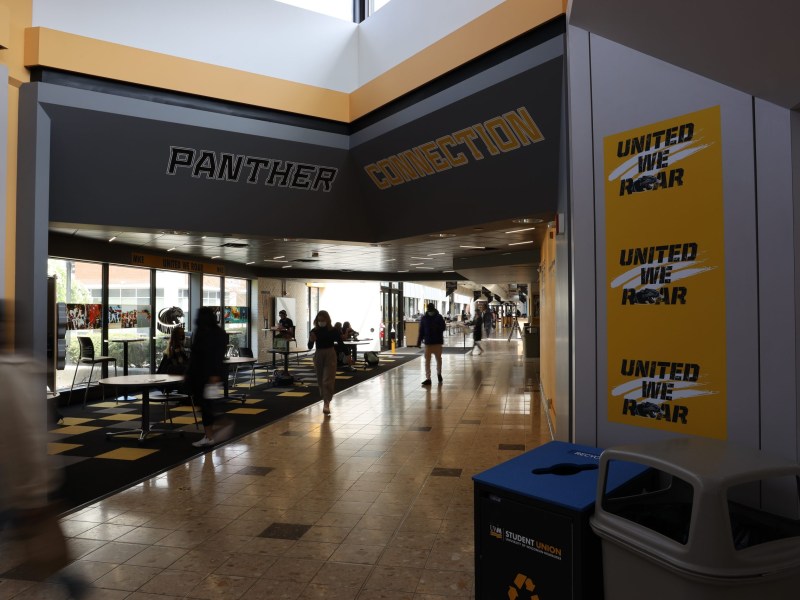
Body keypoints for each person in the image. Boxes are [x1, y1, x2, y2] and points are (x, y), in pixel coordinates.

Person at [186, 306, 232, 447]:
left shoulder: (204, 332)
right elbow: (218, 355)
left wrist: (212, 374)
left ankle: (213, 432)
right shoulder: (219, 332)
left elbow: (205, 355)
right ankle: (211, 433)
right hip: (211, 375)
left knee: (205, 405)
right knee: (208, 404)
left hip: (202, 375)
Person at [308, 310, 345, 416]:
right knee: (320, 379)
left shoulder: (333, 330)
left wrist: (347, 354)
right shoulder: (314, 331)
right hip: (319, 354)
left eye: (323, 320)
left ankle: (326, 403)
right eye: (319, 320)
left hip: (330, 353)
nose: (321, 322)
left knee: (327, 379)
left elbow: (340, 343)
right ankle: (325, 398)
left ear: (327, 320)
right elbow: (309, 346)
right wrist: (311, 340)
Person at [417, 302, 446, 386]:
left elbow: (443, 327)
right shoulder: (424, 318)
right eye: (429, 310)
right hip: (429, 342)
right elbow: (421, 331)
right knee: (429, 361)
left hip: (436, 342)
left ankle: (438, 374)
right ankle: (429, 378)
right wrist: (419, 341)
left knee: (437, 360)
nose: (430, 312)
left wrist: (437, 327)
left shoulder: (438, 317)